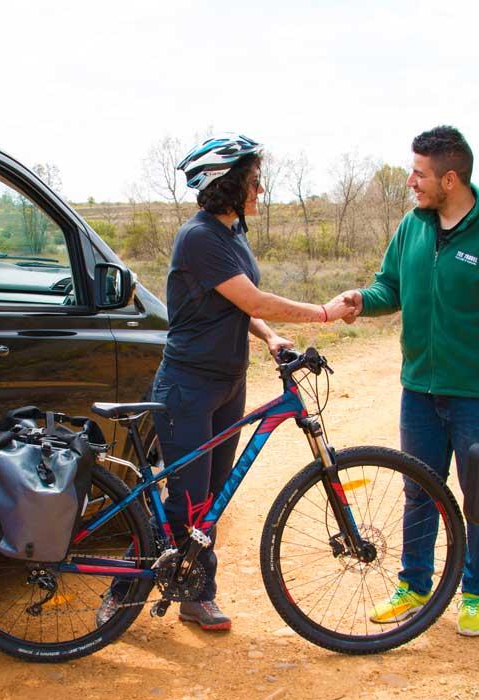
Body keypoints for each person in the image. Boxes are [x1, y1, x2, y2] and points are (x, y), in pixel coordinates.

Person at [98, 133, 358, 631]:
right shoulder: (198, 237)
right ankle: (121, 594)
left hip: (225, 384)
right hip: (187, 388)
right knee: (187, 501)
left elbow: (242, 305)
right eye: (255, 181)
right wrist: (323, 313)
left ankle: (197, 595)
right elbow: (256, 299)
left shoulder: (233, 233)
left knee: (211, 501)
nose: (261, 190)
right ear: (229, 184)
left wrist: (270, 336)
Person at [334, 126, 479, 637]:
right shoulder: (414, 226)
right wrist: (364, 299)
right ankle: (415, 584)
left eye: (420, 174)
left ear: (450, 178)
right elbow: (392, 286)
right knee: (418, 490)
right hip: (420, 392)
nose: (411, 181)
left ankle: (477, 593)